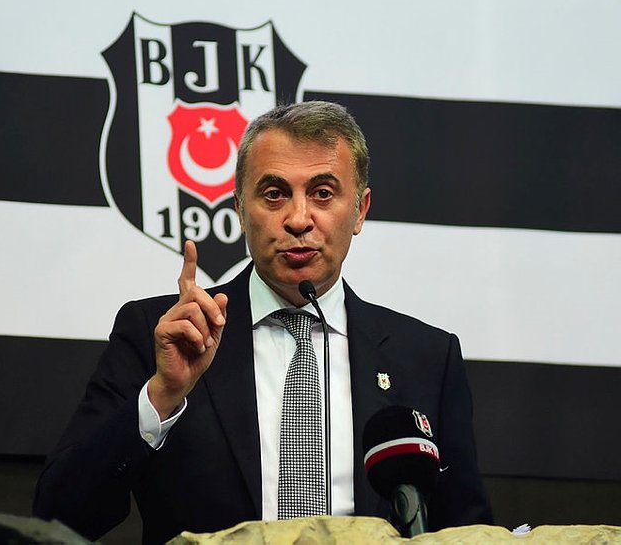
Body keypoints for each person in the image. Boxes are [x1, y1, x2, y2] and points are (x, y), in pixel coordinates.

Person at [33, 101, 493, 543]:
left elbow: (469, 532)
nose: (298, 219)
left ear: (360, 210)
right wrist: (161, 398)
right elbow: (60, 515)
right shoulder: (160, 335)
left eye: (323, 193)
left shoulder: (426, 358)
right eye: (274, 195)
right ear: (239, 209)